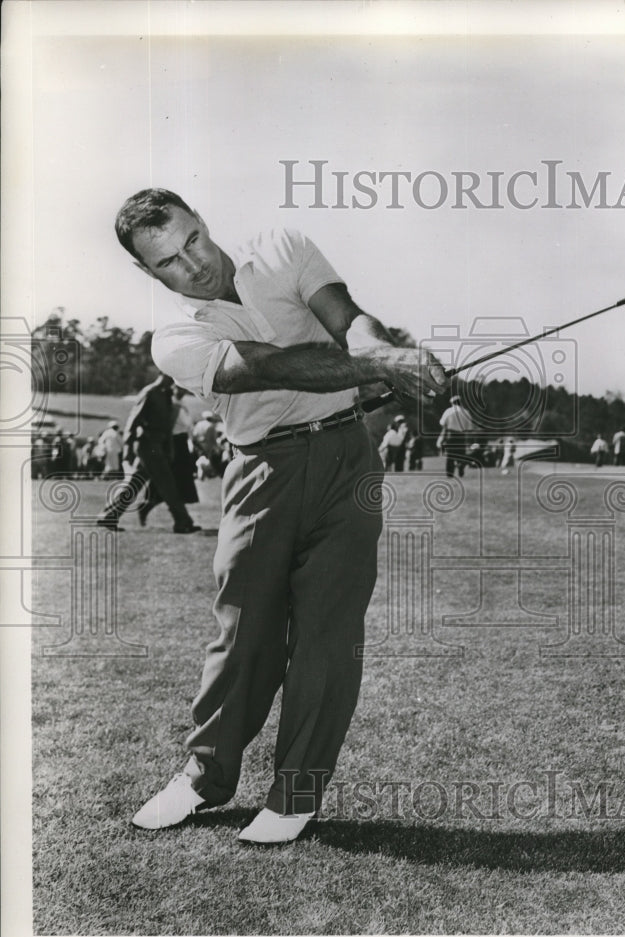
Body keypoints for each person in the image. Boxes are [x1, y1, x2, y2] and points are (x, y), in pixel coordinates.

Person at [116, 188, 447, 843]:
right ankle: (205, 779)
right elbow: (265, 367)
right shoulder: (175, 339)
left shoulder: (285, 247)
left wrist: (384, 351)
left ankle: (296, 795)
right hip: (260, 471)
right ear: (148, 274)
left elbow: (349, 319)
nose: (194, 264)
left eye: (193, 240)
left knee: (328, 634)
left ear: (205, 222)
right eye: (169, 263)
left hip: (349, 459)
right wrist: (375, 363)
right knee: (244, 637)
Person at [95, 373, 200, 533]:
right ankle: (182, 521)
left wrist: (169, 447)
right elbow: (133, 420)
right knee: (168, 484)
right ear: (165, 375)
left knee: (135, 483)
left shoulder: (166, 394)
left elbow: (166, 427)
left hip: (157, 445)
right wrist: (128, 448)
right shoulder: (150, 392)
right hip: (148, 444)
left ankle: (108, 516)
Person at [137, 385, 200, 526]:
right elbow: (169, 428)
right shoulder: (172, 404)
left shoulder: (182, 404)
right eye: (179, 389)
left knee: (179, 483)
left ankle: (180, 519)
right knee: (169, 482)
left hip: (182, 444)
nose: (182, 391)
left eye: (184, 389)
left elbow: (187, 427)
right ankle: (178, 519)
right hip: (175, 444)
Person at [439, 394, 475, 478]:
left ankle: (450, 473)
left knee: (450, 455)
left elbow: (442, 423)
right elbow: (470, 427)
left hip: (451, 435)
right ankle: (461, 468)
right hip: (461, 435)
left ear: (453, 403)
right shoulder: (466, 412)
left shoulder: (448, 411)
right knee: (461, 454)